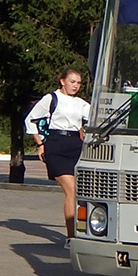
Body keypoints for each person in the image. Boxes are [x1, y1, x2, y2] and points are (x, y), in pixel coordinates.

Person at [24, 67, 91, 247]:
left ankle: (84, 233)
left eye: (78, 83)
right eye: (72, 81)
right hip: (56, 145)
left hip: (76, 147)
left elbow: (95, 119)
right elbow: (30, 120)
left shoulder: (81, 104)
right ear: (62, 81)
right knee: (72, 191)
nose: (75, 86)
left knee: (81, 193)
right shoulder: (51, 99)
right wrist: (40, 144)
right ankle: (72, 237)